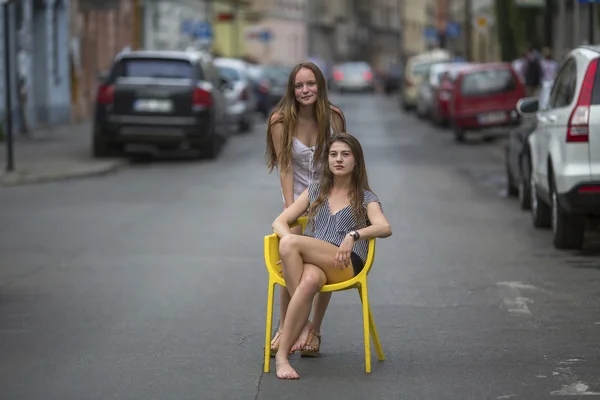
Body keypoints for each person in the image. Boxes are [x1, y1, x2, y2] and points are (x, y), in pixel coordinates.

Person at [271, 133, 393, 379]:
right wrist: (289, 248)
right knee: (307, 282)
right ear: (326, 160)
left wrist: (353, 235)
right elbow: (280, 221)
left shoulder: (366, 198)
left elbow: (384, 228)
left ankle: (303, 326)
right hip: (316, 264)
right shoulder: (315, 190)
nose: (338, 159)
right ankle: (284, 357)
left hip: (345, 264)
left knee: (291, 244)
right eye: (333, 154)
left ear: (356, 161)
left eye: (345, 155)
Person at [265, 61, 347, 357]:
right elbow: (285, 165)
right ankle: (286, 326)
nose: (305, 90)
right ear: (292, 89)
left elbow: (343, 160)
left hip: (330, 200)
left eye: (310, 84)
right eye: (299, 86)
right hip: (297, 200)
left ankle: (314, 329)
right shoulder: (280, 120)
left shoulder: (334, 118)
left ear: (320, 85)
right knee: (290, 257)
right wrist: (290, 208)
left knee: (327, 263)